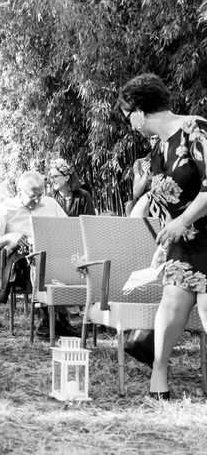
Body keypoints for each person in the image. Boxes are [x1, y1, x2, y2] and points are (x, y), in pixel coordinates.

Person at [118, 73, 207, 400]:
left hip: (203, 233)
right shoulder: (157, 151)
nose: (129, 124)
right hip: (182, 242)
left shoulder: (194, 129)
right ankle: (159, 374)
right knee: (170, 309)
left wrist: (181, 221)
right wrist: (165, 243)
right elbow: (164, 203)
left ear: (139, 111)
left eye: (128, 115)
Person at [0, 171, 78, 338]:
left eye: (40, 195)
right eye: (33, 195)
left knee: (74, 259)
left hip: (52, 253)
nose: (37, 199)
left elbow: (69, 231)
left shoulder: (50, 204)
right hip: (20, 260)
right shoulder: (5, 209)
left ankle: (66, 318)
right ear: (19, 190)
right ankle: (47, 319)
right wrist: (8, 237)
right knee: (37, 260)